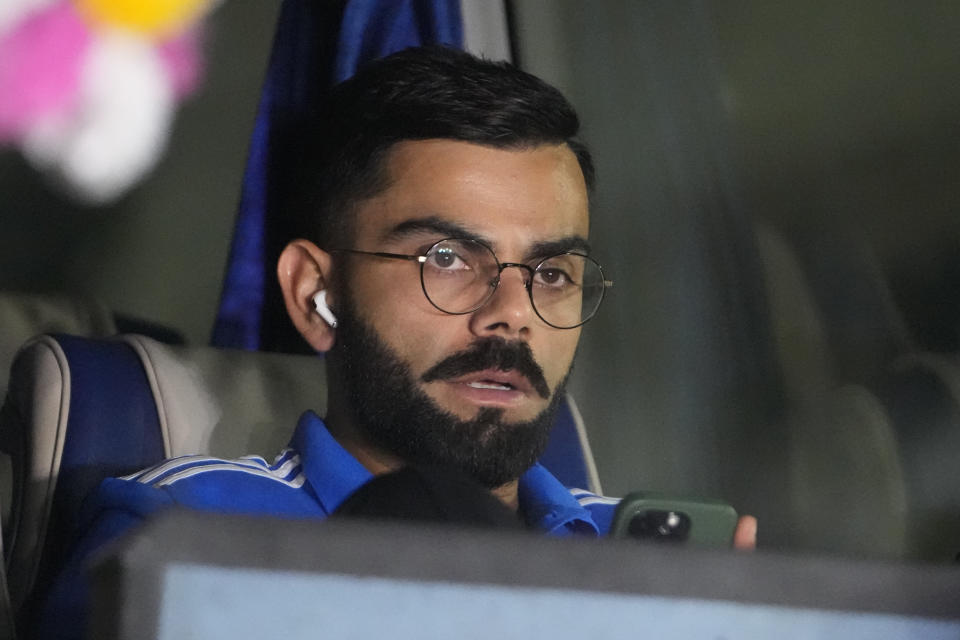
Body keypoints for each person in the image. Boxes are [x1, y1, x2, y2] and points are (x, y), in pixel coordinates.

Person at [37, 46, 756, 638]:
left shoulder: (652, 562)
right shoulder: (182, 536)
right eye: (446, 259)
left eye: (552, 272)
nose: (513, 314)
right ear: (314, 294)